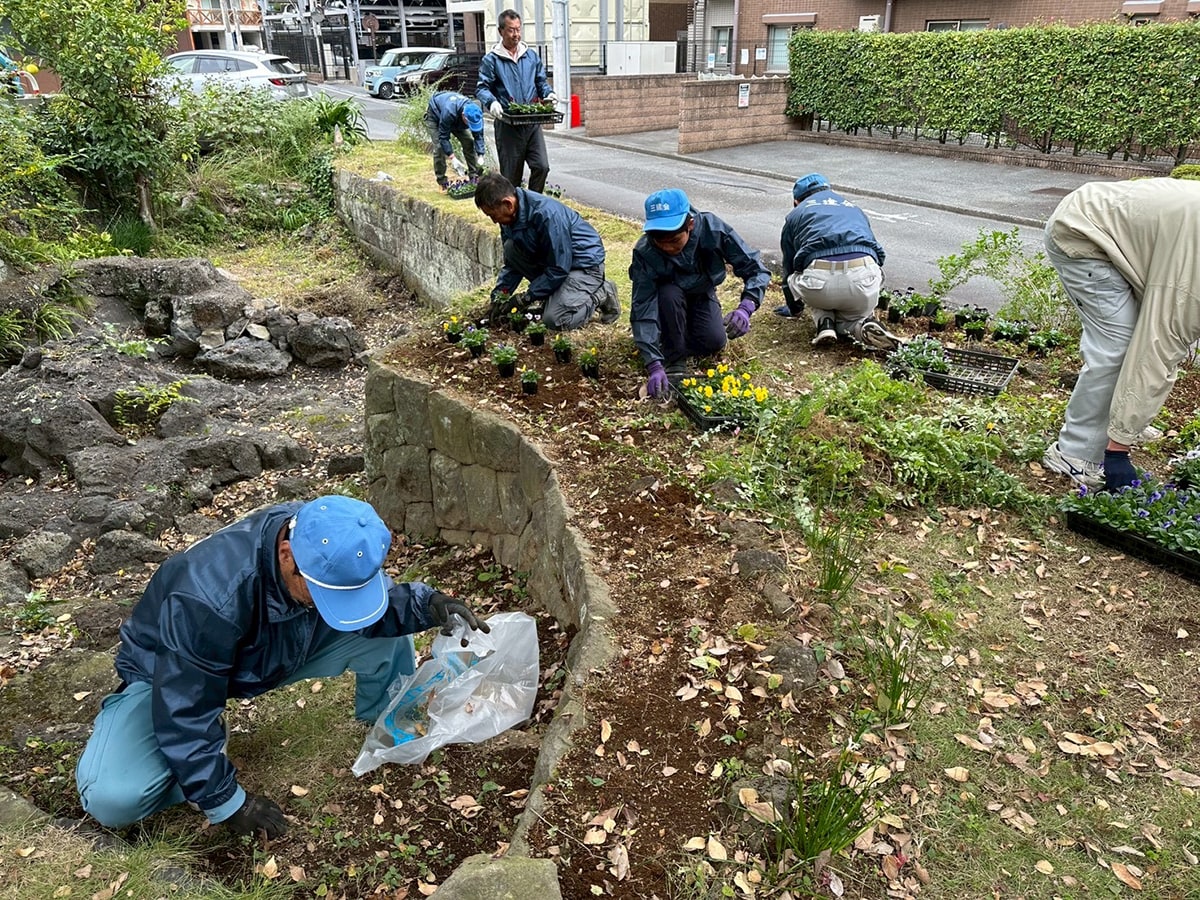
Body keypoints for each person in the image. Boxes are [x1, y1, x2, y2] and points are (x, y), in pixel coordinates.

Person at [75, 495, 489, 839]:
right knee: (111, 798)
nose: (338, 607)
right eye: (324, 593)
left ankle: (386, 723)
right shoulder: (206, 597)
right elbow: (184, 703)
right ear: (286, 555)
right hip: (169, 673)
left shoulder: (326, 536)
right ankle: (190, 743)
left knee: (384, 633)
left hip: (271, 649)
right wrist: (228, 803)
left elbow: (365, 603)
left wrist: (427, 604)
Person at [1040, 177, 1200, 492]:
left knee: (1136, 345)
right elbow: (1158, 345)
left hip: (1123, 234)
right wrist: (1119, 448)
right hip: (1084, 234)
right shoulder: (1192, 276)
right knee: (1120, 347)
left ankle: (1118, 422)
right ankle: (1074, 452)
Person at [630, 188, 771, 399]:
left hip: (701, 292)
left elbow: (755, 268)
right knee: (669, 294)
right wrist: (653, 364)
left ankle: (675, 333)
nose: (668, 249)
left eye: (675, 241)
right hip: (667, 297)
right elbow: (642, 306)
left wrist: (746, 307)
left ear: (690, 225)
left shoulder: (712, 230)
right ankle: (674, 357)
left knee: (713, 341)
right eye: (661, 243)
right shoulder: (645, 252)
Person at [474, 172, 620, 331]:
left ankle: (602, 293)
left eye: (493, 215)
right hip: (555, 263)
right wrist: (499, 297)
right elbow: (512, 264)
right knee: (510, 248)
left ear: (508, 203)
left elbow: (559, 267)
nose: (494, 221)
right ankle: (558, 296)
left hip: (583, 266)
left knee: (555, 320)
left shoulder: (547, 215)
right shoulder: (509, 218)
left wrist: (527, 297)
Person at [780, 173, 900, 350]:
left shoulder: (795, 215)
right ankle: (861, 326)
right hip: (863, 280)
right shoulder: (854, 208)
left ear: (796, 201)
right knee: (854, 317)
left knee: (797, 279)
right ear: (829, 190)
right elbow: (878, 255)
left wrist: (794, 308)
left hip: (819, 284)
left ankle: (825, 323)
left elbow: (788, 266)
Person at [476, 10, 555, 194]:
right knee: (511, 178)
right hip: (508, 125)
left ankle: (532, 204)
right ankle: (513, 217)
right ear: (500, 31)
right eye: (511, 30)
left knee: (542, 166)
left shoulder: (531, 56)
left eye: (518, 30)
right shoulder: (492, 60)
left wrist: (548, 94)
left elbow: (540, 82)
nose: (516, 35)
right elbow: (482, 88)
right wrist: (492, 102)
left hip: (531, 122)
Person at [424, 90, 487, 191]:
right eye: (469, 124)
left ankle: (473, 176)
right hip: (435, 115)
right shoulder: (449, 112)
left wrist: (481, 154)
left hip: (455, 119)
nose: (470, 127)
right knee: (439, 147)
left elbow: (478, 135)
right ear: (463, 115)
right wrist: (452, 158)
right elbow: (443, 137)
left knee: (468, 141)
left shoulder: (475, 113)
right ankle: (442, 182)